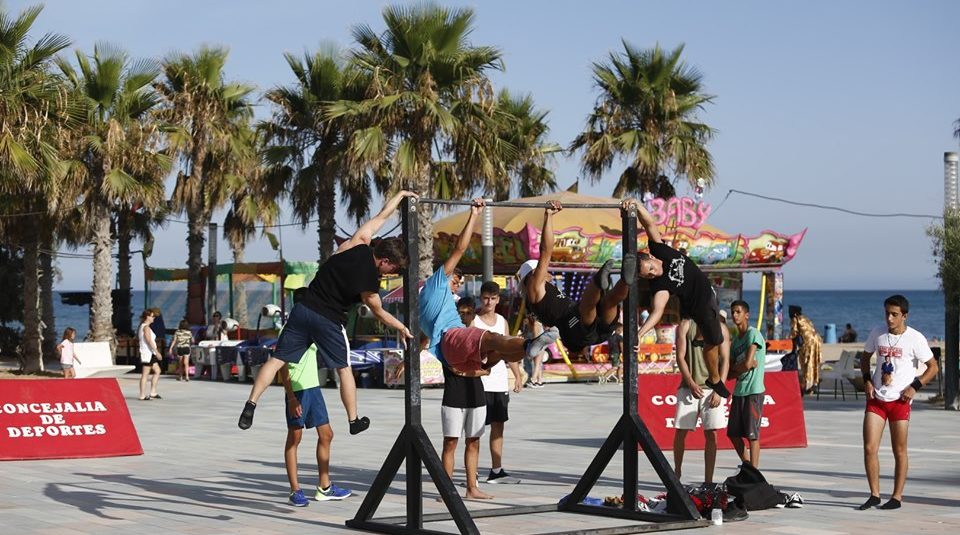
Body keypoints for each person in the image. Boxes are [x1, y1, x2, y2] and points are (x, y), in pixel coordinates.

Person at [239, 191, 418, 434]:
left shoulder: (357, 242)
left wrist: (400, 195)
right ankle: (354, 420)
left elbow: (382, 215)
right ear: (385, 260)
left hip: (303, 310)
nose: (391, 273)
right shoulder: (370, 286)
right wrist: (401, 327)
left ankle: (251, 404)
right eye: (393, 268)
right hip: (330, 321)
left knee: (277, 359)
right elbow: (379, 312)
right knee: (343, 368)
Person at [419, 198, 558, 379]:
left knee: (500, 352)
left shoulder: (421, 313)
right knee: (492, 338)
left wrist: (407, 360)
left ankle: (528, 347)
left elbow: (423, 340)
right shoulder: (436, 283)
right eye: (455, 281)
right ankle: (529, 345)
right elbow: (459, 249)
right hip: (454, 340)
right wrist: (474, 215)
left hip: (455, 357)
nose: (458, 285)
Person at [628, 199, 731, 399]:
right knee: (715, 341)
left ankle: (702, 343)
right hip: (699, 305)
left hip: (708, 293)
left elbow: (649, 224)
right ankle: (715, 379)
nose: (652, 274)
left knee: (711, 338)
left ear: (651, 258)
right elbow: (657, 312)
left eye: (650, 269)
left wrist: (638, 206)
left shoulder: (659, 249)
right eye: (647, 276)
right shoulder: (659, 286)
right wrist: (640, 334)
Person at [517, 200, 636, 358]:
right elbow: (546, 250)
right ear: (534, 272)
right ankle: (601, 282)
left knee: (607, 303)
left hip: (585, 334)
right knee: (589, 307)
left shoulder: (533, 301)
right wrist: (548, 216)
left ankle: (619, 282)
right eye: (543, 270)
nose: (548, 272)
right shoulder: (535, 283)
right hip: (575, 324)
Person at [858, 294, 938, 511]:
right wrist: (866, 380)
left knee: (899, 450)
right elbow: (864, 358)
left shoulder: (915, 338)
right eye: (887, 313)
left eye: (894, 314)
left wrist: (915, 387)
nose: (889, 319)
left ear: (905, 316)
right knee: (869, 448)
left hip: (900, 401)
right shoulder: (877, 333)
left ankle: (896, 496)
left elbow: (933, 367)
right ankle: (874, 494)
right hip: (877, 399)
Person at [279, 339, 352, 506]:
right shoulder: (289, 329)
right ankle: (295, 490)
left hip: (314, 388)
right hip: (297, 391)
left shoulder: (312, 328)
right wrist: (291, 397)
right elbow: (281, 365)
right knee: (295, 438)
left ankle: (324, 487)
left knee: (327, 435)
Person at [441, 296, 492, 500]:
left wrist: (473, 370)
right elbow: (455, 368)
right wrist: (476, 370)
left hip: (476, 396)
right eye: (460, 312)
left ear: (474, 314)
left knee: (474, 442)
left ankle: (472, 488)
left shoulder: (481, 339)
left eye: (468, 312)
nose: (464, 316)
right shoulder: (449, 337)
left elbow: (486, 368)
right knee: (450, 443)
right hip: (453, 396)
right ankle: (447, 491)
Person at [473, 280, 524, 484]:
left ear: (497, 300)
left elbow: (508, 348)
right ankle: (472, 472)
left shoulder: (502, 321)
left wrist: (518, 374)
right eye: (486, 298)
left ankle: (496, 470)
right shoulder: (474, 321)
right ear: (481, 298)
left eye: (493, 298)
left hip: (499, 382)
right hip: (480, 382)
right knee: (475, 429)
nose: (489, 302)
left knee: (498, 426)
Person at [672, 319, 725, 485]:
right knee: (681, 431)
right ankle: (677, 471)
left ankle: (708, 480)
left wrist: (718, 389)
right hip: (689, 387)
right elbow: (680, 356)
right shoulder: (686, 325)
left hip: (712, 388)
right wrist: (690, 381)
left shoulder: (720, 327)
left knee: (712, 434)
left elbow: (725, 360)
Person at [727, 300, 766, 468]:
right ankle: (748, 466)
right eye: (733, 312)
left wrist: (742, 366)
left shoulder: (753, 334)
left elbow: (748, 363)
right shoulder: (735, 342)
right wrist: (741, 367)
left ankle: (755, 473)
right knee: (733, 434)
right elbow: (729, 373)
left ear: (746, 315)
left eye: (738, 312)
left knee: (752, 435)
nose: (735, 315)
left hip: (753, 391)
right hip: (738, 392)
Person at [789, 305, 822, 394]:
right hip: (816, 341)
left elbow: (794, 333)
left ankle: (807, 386)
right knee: (813, 362)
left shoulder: (795, 319)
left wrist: (792, 346)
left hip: (808, 342)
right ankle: (814, 383)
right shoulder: (805, 318)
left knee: (806, 363)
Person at [138, 310, 163, 401]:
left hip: (150, 353)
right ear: (147, 317)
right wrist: (157, 352)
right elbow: (149, 340)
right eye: (152, 316)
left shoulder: (145, 327)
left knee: (157, 371)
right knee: (145, 373)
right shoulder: (146, 328)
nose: (153, 318)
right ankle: (142, 395)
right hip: (147, 353)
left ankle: (153, 392)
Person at [522, 314, 546, 388]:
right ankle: (539, 381)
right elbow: (525, 334)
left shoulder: (536, 324)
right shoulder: (528, 325)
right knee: (537, 363)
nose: (524, 321)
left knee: (537, 363)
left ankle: (533, 380)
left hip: (540, 344)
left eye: (525, 319)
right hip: (536, 343)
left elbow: (535, 337)